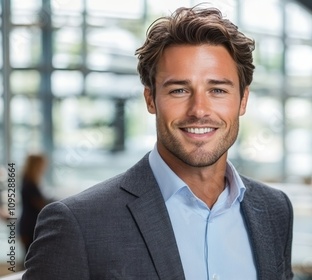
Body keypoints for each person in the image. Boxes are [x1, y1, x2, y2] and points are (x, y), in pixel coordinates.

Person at [23, 6, 293, 280]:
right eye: (179, 90)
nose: (199, 109)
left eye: (217, 90)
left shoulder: (274, 210)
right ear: (151, 99)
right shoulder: (79, 224)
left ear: (243, 100)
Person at [18, 154, 52, 253]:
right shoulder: (29, 183)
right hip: (29, 227)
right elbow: (40, 204)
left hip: (30, 225)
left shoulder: (32, 181)